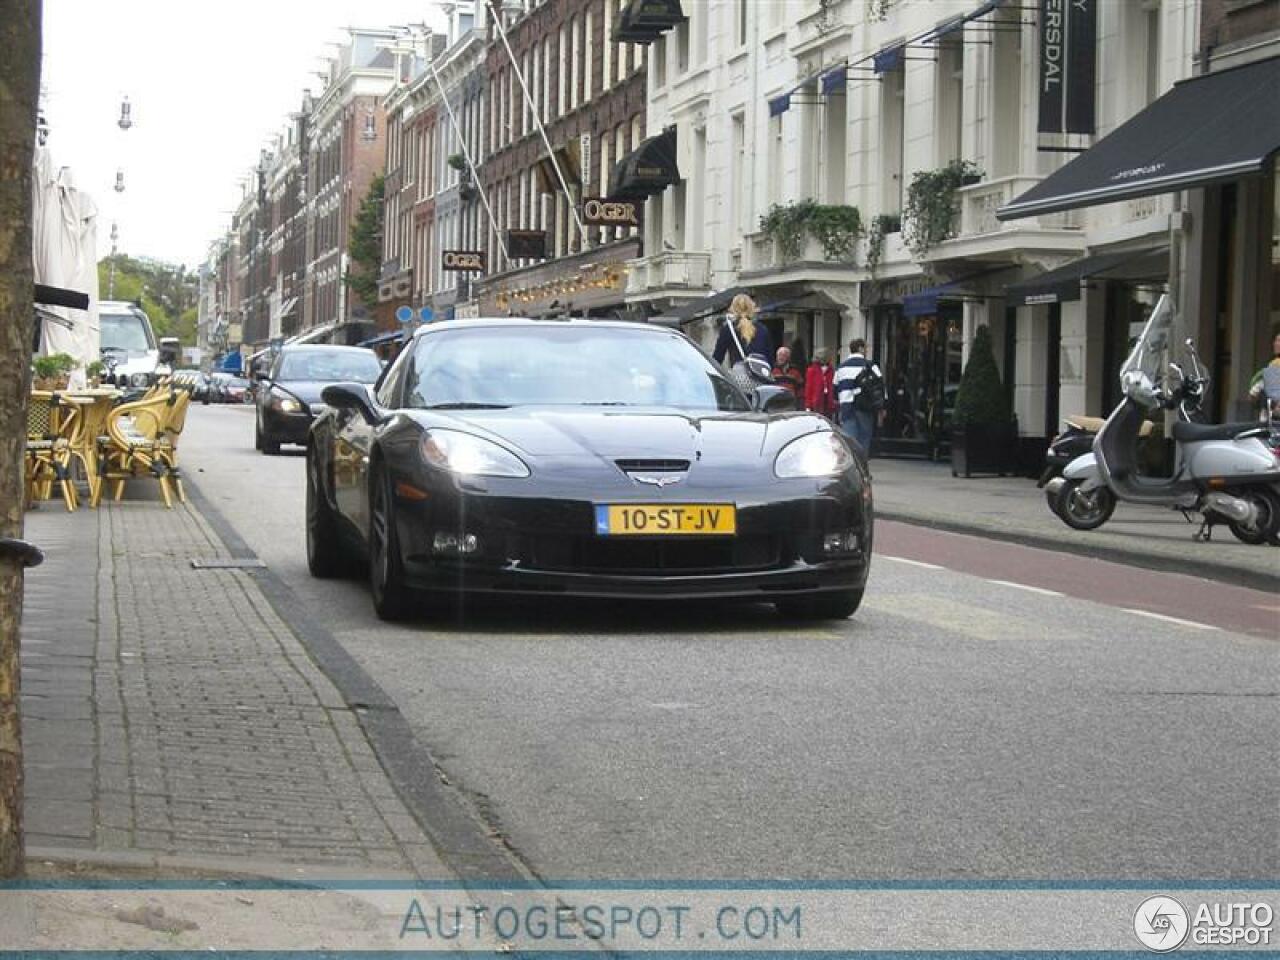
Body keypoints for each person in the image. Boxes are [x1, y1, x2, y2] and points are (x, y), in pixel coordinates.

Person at [834, 338, 885, 455]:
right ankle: (862, 467)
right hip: (865, 407)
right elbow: (880, 386)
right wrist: (882, 407)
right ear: (861, 349)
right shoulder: (870, 366)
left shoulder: (841, 367)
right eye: (866, 348)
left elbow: (835, 389)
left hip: (846, 407)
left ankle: (853, 466)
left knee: (849, 441)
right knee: (864, 439)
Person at [712, 293, 772, 368]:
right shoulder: (763, 329)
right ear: (751, 308)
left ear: (733, 308)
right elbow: (770, 359)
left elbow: (717, 358)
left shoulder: (728, 329)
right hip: (760, 376)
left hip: (739, 376)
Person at [804, 347, 836, 419]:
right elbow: (808, 388)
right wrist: (808, 406)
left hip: (828, 401)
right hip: (816, 402)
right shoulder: (811, 370)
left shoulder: (831, 370)